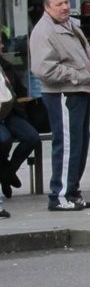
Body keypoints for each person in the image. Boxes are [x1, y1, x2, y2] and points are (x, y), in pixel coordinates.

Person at [30, 0, 90, 211]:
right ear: (47, 7)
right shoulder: (44, 31)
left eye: (66, 2)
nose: (65, 7)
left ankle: (72, 191)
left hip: (79, 90)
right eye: (59, 4)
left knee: (79, 145)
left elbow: (88, 48)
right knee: (67, 145)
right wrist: (79, 75)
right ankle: (60, 195)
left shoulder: (70, 23)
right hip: (63, 93)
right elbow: (44, 69)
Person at [1, 34, 44, 200]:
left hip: (11, 113)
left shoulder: (7, 66)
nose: (2, 47)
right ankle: (4, 169)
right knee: (4, 139)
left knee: (32, 137)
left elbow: (20, 92)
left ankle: (7, 173)